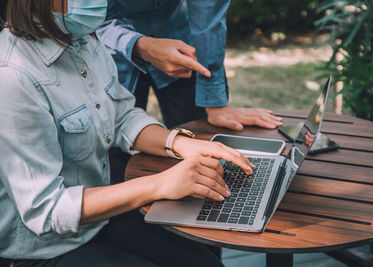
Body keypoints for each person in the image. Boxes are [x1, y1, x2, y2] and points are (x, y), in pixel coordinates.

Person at [0, 0, 254, 266]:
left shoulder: (83, 37)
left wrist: (178, 144)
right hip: (43, 250)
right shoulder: (13, 77)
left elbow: (120, 116)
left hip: (99, 221)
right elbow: (46, 211)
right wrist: (160, 184)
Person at [97, 0, 283, 131]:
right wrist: (140, 46)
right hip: (110, 54)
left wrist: (213, 100)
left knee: (199, 137)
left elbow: (208, 14)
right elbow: (87, 20)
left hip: (181, 43)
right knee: (115, 153)